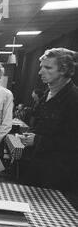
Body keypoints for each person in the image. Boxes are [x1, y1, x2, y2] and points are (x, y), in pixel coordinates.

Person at [20, 48, 78, 191]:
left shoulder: (74, 99)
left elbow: (73, 141)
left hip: (59, 175)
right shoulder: (46, 94)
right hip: (37, 166)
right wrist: (32, 136)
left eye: (48, 67)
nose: (40, 72)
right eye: (41, 67)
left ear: (64, 70)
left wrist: (37, 140)